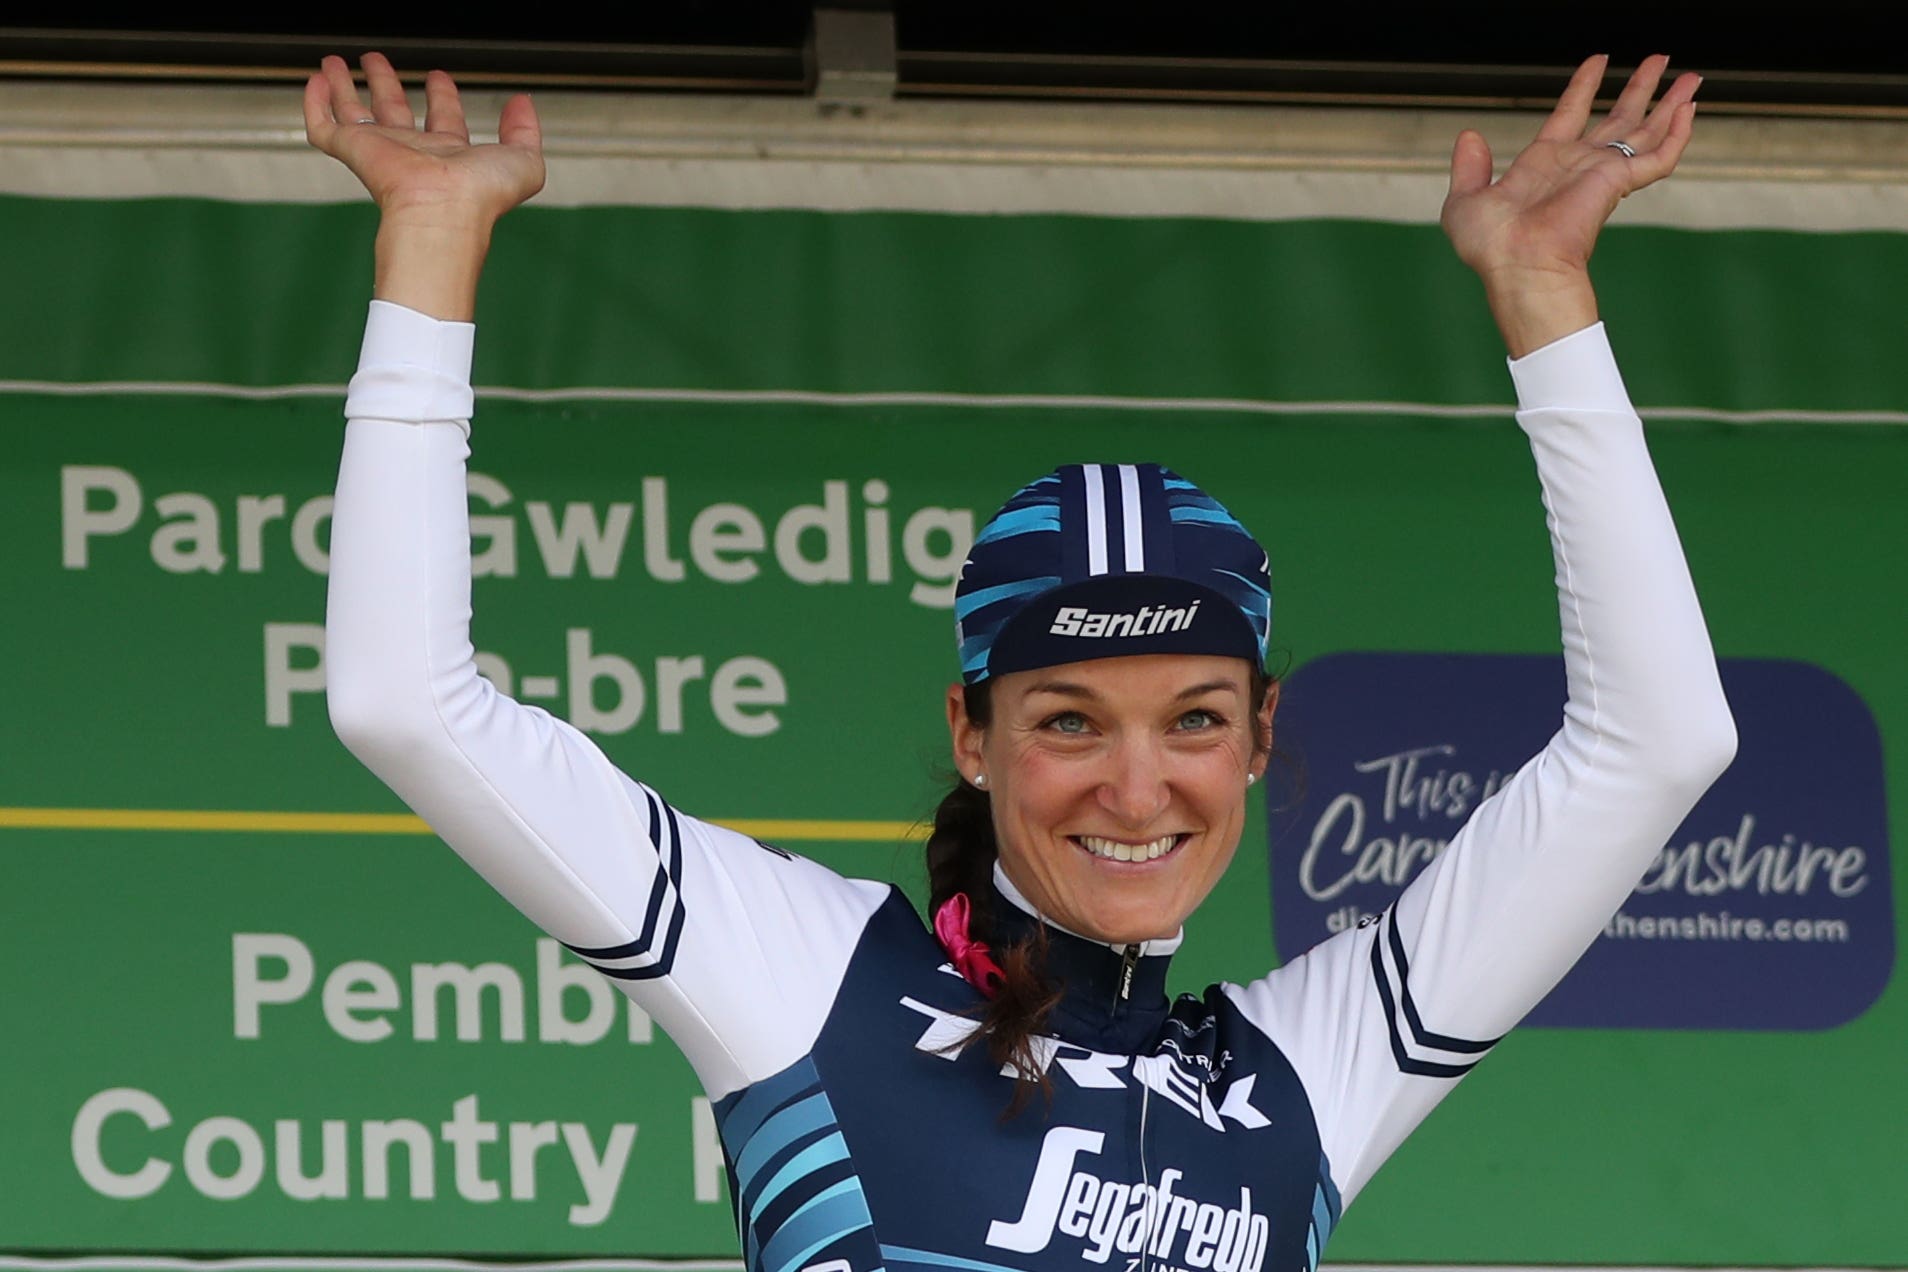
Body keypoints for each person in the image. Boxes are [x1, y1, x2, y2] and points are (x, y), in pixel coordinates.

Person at [313, 51, 1736, 1272]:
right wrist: (432, 246)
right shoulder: (810, 980)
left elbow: (1658, 748)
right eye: (1068, 720)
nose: (1137, 786)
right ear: (973, 734)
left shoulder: (1309, 1068)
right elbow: (407, 704)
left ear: (1257, 737)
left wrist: (1544, 293)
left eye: (1192, 718)